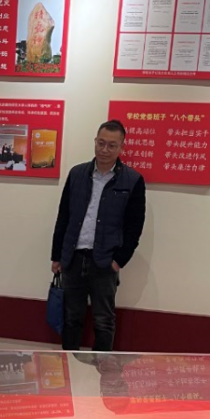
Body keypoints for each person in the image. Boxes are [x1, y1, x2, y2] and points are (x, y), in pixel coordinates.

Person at [51, 120, 146, 351]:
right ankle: (71, 367)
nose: (104, 150)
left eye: (112, 145)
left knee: (103, 321)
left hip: (105, 261)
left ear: (121, 147)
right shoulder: (77, 174)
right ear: (95, 141)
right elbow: (63, 216)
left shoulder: (132, 180)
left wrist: (118, 260)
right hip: (73, 257)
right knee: (71, 318)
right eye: (101, 143)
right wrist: (57, 256)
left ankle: (102, 371)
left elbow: (134, 226)